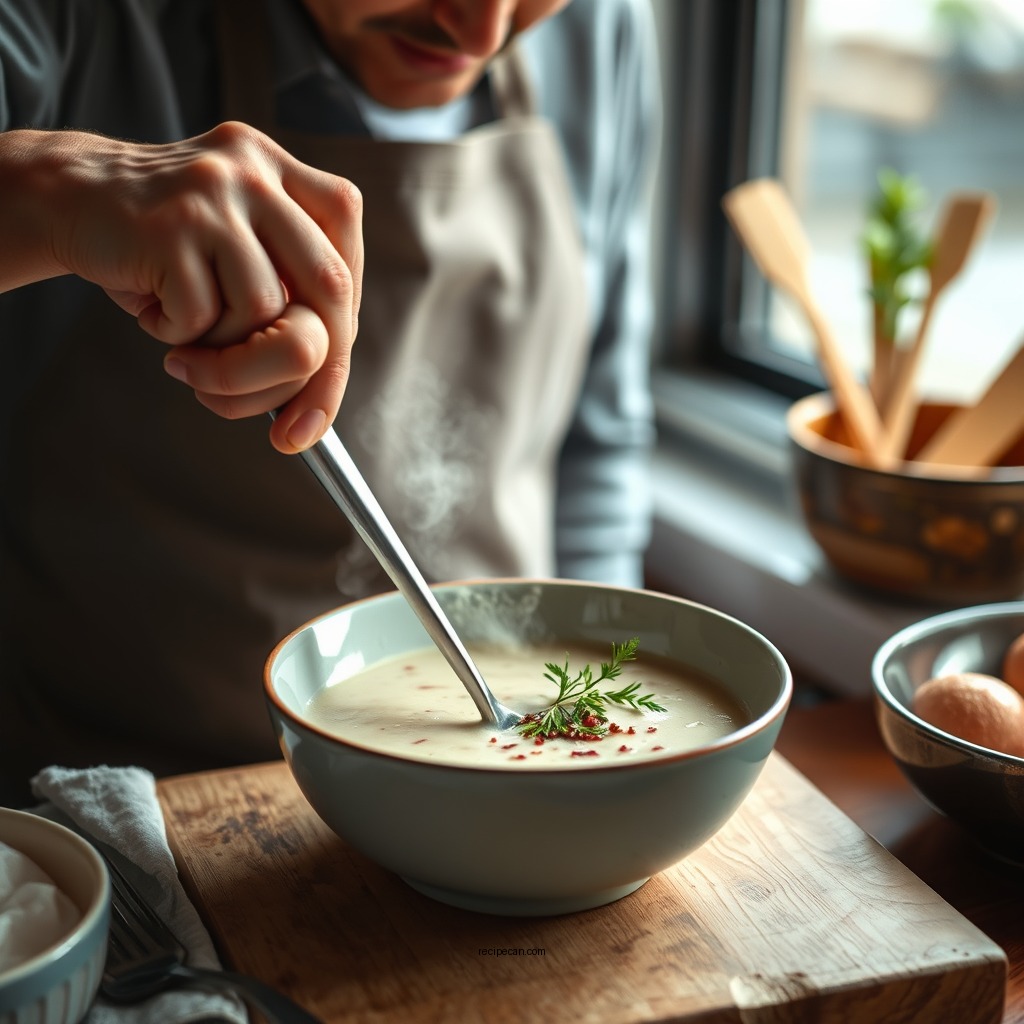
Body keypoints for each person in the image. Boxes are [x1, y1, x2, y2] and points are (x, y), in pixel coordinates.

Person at [0, 0, 661, 805]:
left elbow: (598, 443)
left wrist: (603, 734)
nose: (482, 33)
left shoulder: (603, 30)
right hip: (118, 806)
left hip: (507, 789)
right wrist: (44, 193)